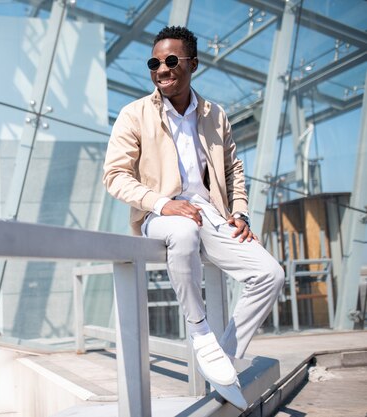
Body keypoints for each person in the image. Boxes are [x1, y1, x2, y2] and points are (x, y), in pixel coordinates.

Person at [102, 25, 285, 410]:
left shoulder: (214, 114)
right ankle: (200, 329)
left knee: (271, 275)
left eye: (171, 60)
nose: (162, 69)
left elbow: (234, 170)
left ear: (193, 64)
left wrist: (240, 213)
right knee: (182, 230)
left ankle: (224, 357)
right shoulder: (134, 114)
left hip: (211, 215)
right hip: (160, 213)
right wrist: (161, 203)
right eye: (155, 62)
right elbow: (115, 176)